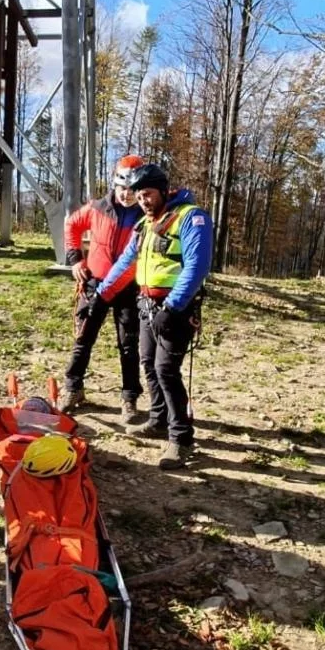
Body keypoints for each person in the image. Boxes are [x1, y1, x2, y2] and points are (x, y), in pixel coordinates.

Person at [97, 163, 213, 469]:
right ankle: (159, 419)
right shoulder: (146, 224)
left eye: (147, 194)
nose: (143, 200)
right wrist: (101, 296)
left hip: (177, 308)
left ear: (163, 190)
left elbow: (197, 266)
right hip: (146, 306)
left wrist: (173, 308)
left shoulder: (191, 217)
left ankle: (181, 438)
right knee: (147, 362)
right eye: (138, 196)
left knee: (166, 370)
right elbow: (126, 262)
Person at [59, 154, 146, 423]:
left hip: (129, 288)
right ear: (114, 185)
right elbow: (72, 224)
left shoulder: (147, 215)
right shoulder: (97, 208)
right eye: (123, 189)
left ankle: (129, 397)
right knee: (83, 338)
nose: (127, 195)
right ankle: (73, 388)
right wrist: (75, 260)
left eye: (133, 191)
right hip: (94, 283)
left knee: (129, 345)